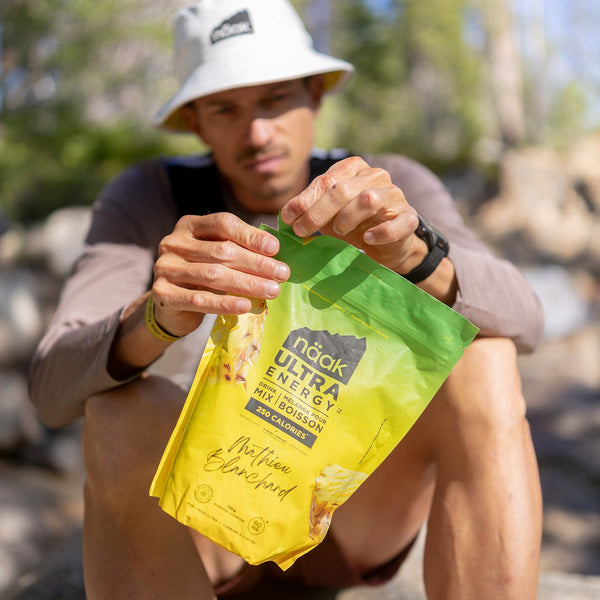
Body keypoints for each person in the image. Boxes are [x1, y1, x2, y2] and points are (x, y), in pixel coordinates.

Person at [29, 1, 544, 598]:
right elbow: (51, 388)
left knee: (484, 359)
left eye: (275, 99)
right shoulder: (149, 197)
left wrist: (415, 256)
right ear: (196, 122)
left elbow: (527, 319)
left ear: (314, 94)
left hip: (350, 516)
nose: (257, 133)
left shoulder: (383, 184)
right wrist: (156, 316)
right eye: (226, 108)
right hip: (203, 526)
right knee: (117, 414)